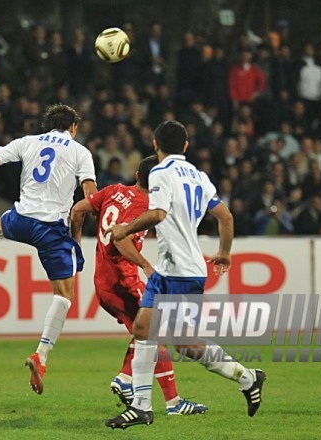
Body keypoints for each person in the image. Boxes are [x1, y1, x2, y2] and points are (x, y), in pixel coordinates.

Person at [104, 121, 266, 429]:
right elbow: (225, 217)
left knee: (175, 340)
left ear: (155, 144)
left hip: (179, 270)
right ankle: (142, 406)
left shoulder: (161, 173)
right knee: (149, 330)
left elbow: (158, 214)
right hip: (174, 268)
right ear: (187, 146)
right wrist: (225, 252)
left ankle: (246, 377)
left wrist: (125, 228)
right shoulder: (199, 176)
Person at [0, 104, 97, 394]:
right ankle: (41, 355)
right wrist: (83, 227)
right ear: (73, 127)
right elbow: (89, 195)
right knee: (64, 295)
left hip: (23, 217)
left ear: (47, 124)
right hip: (52, 227)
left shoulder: (28, 142)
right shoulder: (80, 152)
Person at [71, 155, 208, 415]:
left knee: (146, 333)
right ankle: (171, 402)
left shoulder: (113, 190)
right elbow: (122, 242)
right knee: (155, 333)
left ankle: (127, 379)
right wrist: (145, 265)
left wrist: (76, 244)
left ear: (136, 175)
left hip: (102, 281)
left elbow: (77, 210)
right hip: (124, 281)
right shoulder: (145, 207)